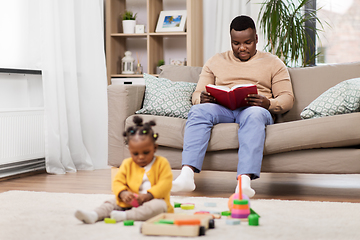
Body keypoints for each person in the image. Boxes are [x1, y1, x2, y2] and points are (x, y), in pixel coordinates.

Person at [171, 15, 294, 197]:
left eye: (248, 43)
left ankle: (244, 182)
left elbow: (287, 98)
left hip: (255, 109)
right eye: (236, 43)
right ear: (230, 40)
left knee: (254, 115)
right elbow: (196, 94)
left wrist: (269, 103)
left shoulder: (273, 63)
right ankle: (187, 175)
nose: (242, 48)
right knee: (198, 110)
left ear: (256, 39)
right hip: (223, 108)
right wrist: (201, 98)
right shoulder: (215, 61)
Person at [75, 116, 173, 224]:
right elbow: (117, 182)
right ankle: (94, 214)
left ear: (154, 148)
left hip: (153, 200)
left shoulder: (162, 163)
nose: (140, 157)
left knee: (158, 207)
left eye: (146, 152)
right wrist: (123, 193)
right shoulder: (127, 164)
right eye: (135, 154)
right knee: (111, 203)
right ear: (130, 150)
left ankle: (126, 216)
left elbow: (165, 184)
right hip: (129, 201)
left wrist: (149, 195)